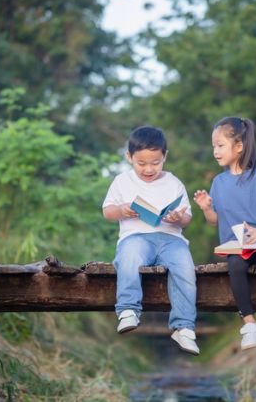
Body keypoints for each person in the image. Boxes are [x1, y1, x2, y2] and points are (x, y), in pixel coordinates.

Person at [193, 116, 256, 360]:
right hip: (238, 248)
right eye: (213, 146)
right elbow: (215, 220)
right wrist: (205, 208)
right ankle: (249, 324)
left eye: (220, 145)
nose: (215, 151)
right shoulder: (218, 182)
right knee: (235, 266)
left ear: (239, 146)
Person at [102, 125, 199, 355]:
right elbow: (107, 212)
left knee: (185, 269)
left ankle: (184, 327)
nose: (148, 169)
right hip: (136, 237)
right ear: (129, 157)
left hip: (170, 238)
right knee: (130, 256)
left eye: (155, 163)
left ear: (165, 156)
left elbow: (186, 218)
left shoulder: (173, 182)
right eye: (141, 163)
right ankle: (128, 310)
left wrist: (178, 217)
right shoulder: (121, 181)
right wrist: (122, 209)